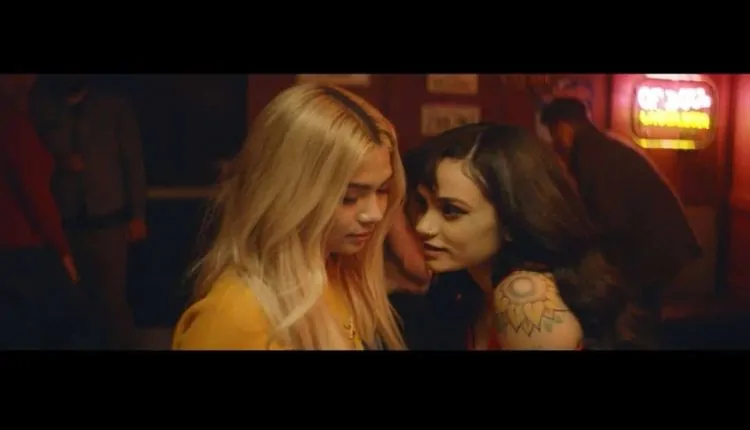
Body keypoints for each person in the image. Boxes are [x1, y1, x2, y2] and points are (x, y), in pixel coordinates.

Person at [172, 84, 407, 350]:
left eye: (383, 190)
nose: (375, 214)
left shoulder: (339, 275)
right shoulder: (236, 316)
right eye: (349, 197)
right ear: (288, 195)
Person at [389, 123, 634, 350]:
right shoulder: (470, 285)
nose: (423, 226)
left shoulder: (524, 296)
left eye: (451, 210)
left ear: (510, 220)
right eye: (422, 204)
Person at [540, 97, 702, 348]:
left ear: (564, 128)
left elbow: (609, 219)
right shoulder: (601, 147)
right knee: (639, 315)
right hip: (660, 246)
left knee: (635, 321)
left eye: (553, 133)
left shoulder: (592, 155)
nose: (554, 142)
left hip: (651, 250)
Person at [29, 74, 148, 349]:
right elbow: (33, 161)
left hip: (109, 221)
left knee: (113, 303)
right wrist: (60, 161)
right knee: (75, 303)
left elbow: (133, 161)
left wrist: (138, 215)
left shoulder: (113, 106)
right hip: (66, 223)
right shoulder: (43, 107)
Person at [0, 74, 90, 349]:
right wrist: (62, 250)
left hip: (15, 249)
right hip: (20, 249)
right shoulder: (12, 123)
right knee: (60, 321)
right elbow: (34, 192)